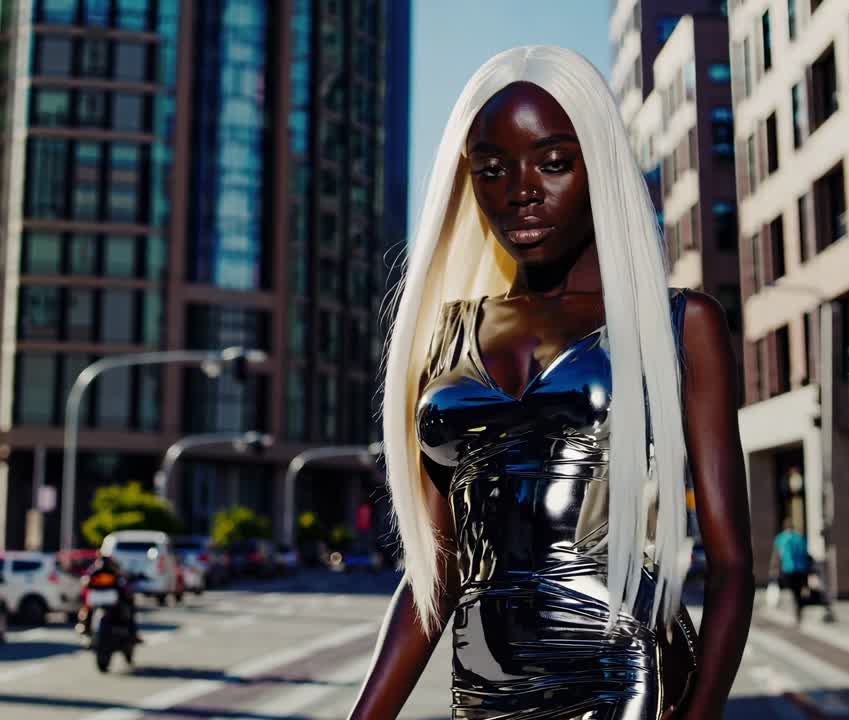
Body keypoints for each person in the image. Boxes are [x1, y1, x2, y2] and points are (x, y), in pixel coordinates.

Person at [348, 46, 752, 720]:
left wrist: (701, 711)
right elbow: (437, 574)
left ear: (600, 164)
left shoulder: (680, 326)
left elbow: (732, 564)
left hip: (624, 677)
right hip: (485, 687)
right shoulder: (447, 334)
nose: (521, 190)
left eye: (554, 162)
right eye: (491, 170)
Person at [770, 518, 812, 623]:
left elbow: (777, 556)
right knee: (798, 591)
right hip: (801, 569)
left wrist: (774, 569)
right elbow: (806, 554)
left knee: (789, 591)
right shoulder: (799, 538)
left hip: (787, 569)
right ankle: (799, 612)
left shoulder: (780, 538)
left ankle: (793, 613)